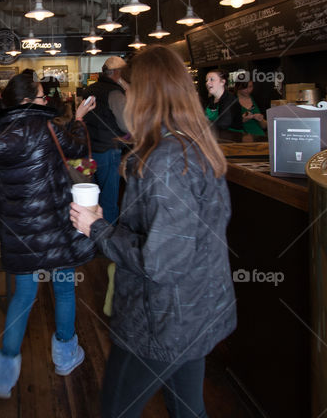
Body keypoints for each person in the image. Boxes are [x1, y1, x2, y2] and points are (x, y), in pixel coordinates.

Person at [70, 45, 237, 418]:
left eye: (129, 91)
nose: (126, 100)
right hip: (197, 309)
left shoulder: (166, 160)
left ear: (143, 94)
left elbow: (162, 263)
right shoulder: (195, 143)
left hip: (162, 319)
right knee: (187, 408)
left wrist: (97, 228)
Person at [0, 73, 98, 399]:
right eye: (42, 96)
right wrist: (79, 119)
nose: (46, 101)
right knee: (65, 292)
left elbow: (0, 173)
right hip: (56, 226)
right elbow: (77, 148)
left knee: (23, 297)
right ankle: (65, 356)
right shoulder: (49, 127)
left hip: (20, 230)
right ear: (28, 100)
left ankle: (4, 373)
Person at [83, 56, 128, 224]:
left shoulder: (89, 89)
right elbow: (126, 124)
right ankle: (107, 239)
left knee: (91, 199)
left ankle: (91, 234)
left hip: (89, 151)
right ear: (117, 72)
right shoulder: (115, 92)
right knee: (109, 200)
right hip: (109, 150)